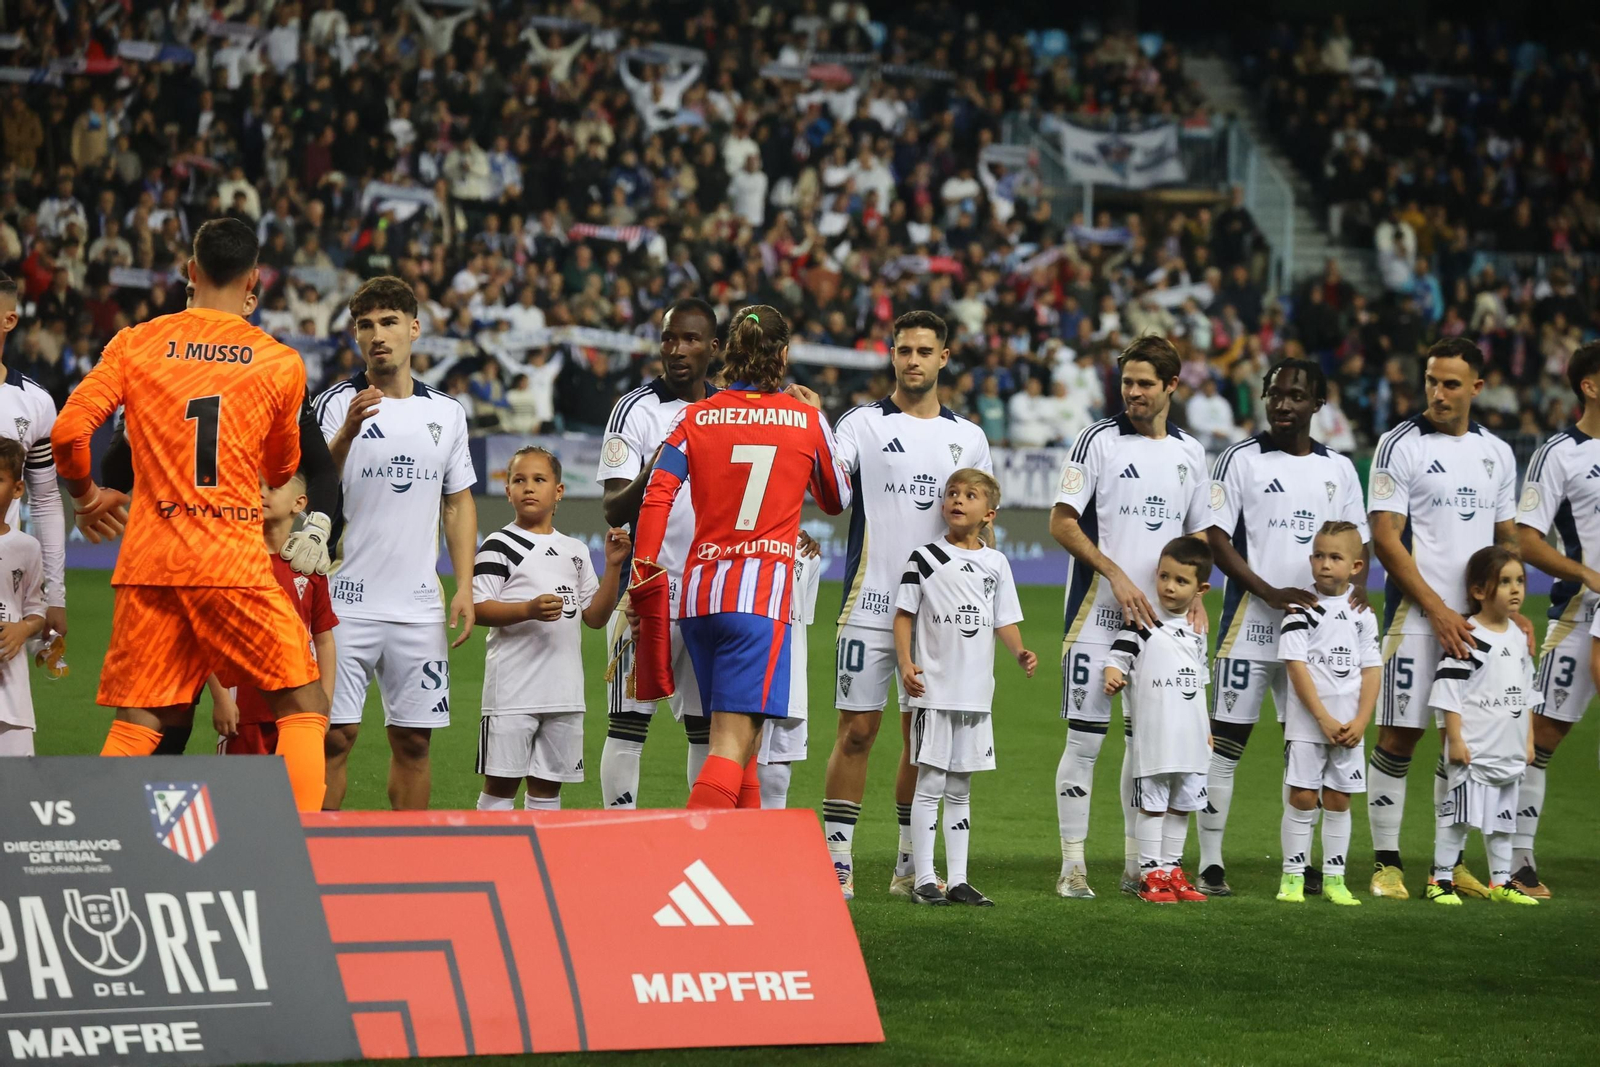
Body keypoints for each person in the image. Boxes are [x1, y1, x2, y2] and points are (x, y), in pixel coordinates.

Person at [51, 218, 330, 811]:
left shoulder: (136, 342)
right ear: (254, 280)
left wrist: (85, 497)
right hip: (230, 558)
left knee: (140, 721)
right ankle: (309, 853)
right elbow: (282, 469)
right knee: (303, 704)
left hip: (152, 559)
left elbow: (70, 431)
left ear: (190, 273)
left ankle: (101, 846)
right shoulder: (279, 363)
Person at [630, 305, 850, 811]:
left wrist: (643, 584)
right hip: (760, 600)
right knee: (732, 744)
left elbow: (657, 495)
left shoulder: (695, 416)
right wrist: (820, 422)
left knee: (741, 748)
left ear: (727, 352)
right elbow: (836, 498)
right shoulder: (805, 419)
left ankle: (745, 873)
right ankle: (686, 865)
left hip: (701, 597)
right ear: (785, 355)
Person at [822, 310, 993, 901]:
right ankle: (837, 863)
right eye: (903, 350)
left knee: (923, 740)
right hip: (869, 601)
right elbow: (829, 490)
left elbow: (981, 530)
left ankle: (907, 865)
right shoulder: (862, 424)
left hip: (938, 617)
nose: (913, 360)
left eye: (924, 351)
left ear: (944, 358)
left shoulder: (968, 437)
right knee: (857, 733)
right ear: (891, 355)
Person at [1197, 358, 1370, 896]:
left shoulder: (1339, 469)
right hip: (1248, 624)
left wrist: (1357, 597)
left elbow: (1356, 543)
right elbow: (1216, 537)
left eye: (1296, 396)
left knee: (1306, 749)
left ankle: (1302, 864)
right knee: (1225, 745)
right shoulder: (1238, 460)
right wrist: (1268, 591)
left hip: (1316, 636)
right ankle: (1210, 862)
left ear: (1319, 403)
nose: (1283, 404)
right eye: (1275, 394)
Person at [1051, 336, 1210, 899]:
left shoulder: (1192, 452)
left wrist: (1196, 596)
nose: (1134, 392)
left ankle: (1137, 867)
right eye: (1127, 382)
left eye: (1146, 383)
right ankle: (1072, 867)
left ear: (1172, 385)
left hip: (1164, 626)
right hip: (1097, 616)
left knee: (1147, 747)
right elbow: (1063, 522)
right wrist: (1115, 574)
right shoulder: (1096, 440)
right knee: (1086, 740)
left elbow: (1198, 535)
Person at [1366, 338, 1524, 899]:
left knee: (1466, 744)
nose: (1437, 392)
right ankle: (1386, 864)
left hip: (1475, 625)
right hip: (1416, 617)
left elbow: (1505, 540)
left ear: (1476, 388)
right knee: (1399, 735)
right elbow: (1386, 539)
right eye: (1432, 380)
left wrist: (1508, 610)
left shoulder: (1498, 453)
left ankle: (1448, 863)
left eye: (1451, 383)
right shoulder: (1398, 445)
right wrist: (1436, 611)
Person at [314, 276, 478, 811]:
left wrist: (465, 587)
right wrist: (344, 438)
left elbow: (457, 502)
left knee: (413, 740)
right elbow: (311, 490)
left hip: (417, 606)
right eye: (365, 326)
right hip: (343, 602)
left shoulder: (447, 413)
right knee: (332, 737)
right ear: (356, 337)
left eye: (388, 323)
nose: (377, 335)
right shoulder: (335, 404)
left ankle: (410, 853)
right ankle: (316, 855)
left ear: (414, 329)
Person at [596, 299, 721, 810]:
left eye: (690, 339)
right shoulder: (634, 410)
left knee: (705, 729)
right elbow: (612, 508)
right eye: (669, 339)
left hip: (711, 591)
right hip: (646, 591)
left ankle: (704, 836)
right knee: (628, 723)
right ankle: (619, 835)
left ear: (713, 348)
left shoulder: (728, 410)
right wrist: (657, 469)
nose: (677, 350)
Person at [895, 469, 1036, 907]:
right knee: (930, 782)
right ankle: (923, 878)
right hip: (935, 691)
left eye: (970, 495)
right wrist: (905, 663)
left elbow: (1003, 620)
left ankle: (957, 879)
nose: (958, 500)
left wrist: (1018, 652)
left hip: (976, 693)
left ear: (988, 512)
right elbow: (903, 614)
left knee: (960, 788)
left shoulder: (996, 563)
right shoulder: (925, 557)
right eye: (952, 493)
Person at [471, 446, 629, 811]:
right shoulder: (498, 545)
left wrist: (613, 567)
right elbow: (477, 608)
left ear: (558, 491)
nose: (528, 487)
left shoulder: (574, 550)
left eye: (539, 480)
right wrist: (526, 609)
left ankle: (535, 863)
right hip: (512, 693)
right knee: (500, 786)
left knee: (547, 791)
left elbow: (594, 617)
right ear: (507, 491)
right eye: (519, 480)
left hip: (564, 694)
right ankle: (493, 861)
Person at [1510, 342, 1600, 897]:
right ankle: (1519, 862)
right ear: (1589, 384)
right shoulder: (1559, 453)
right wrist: (1588, 575)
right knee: (1542, 735)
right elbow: (1526, 540)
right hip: (1578, 611)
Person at [1425, 546, 1541, 907]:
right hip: (1473, 750)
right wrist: (1454, 740)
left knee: (1505, 821)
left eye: (1519, 581)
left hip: (1508, 749)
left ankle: (1501, 881)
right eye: (1504, 582)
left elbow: (1527, 693)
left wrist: (1529, 740)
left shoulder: (1519, 637)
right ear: (1478, 591)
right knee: (1457, 818)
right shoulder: (1468, 637)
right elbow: (1449, 692)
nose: (1515, 589)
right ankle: (1440, 879)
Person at [1102, 537, 1213, 905]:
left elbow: (1199, 682)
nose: (1169, 586)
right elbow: (1117, 658)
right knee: (1152, 804)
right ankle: (1151, 875)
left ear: (1201, 590)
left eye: (1181, 581)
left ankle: (1172, 870)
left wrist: (1207, 730)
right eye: (1164, 576)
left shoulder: (1198, 631)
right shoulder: (1142, 623)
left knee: (1181, 805)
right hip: (1155, 736)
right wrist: (1112, 675)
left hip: (1191, 735)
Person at [1275, 521, 1380, 906]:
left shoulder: (1362, 613)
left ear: (1355, 566)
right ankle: (1292, 876)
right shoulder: (1301, 607)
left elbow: (1371, 669)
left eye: (1335, 557)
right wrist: (1321, 717)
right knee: (1303, 797)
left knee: (1338, 800)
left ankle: (1336, 878)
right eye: (1318, 555)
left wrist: (1362, 720)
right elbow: (1296, 667)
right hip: (1309, 724)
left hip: (1350, 725)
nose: (1324, 563)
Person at [216, 472, 338, 756]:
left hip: (302, 709)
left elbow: (324, 640)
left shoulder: (310, 567)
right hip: (243, 711)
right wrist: (222, 699)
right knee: (241, 796)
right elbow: (212, 635)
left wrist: (326, 704)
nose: (260, 493)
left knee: (297, 793)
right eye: (255, 487)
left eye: (271, 488)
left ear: (299, 503)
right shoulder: (232, 561)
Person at [0, 273, 66, 667]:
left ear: (9, 320)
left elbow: (44, 501)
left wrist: (55, 596)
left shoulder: (35, 403)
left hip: (7, 587)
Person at [756, 535, 824, 809]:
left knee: (778, 768)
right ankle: (722, 842)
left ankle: (770, 847)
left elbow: (801, 618)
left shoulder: (808, 553)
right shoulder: (742, 536)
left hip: (789, 669)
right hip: (747, 664)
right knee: (728, 755)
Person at [0, 438, 46, 755]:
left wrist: (23, 629)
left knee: (16, 790)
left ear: (17, 490)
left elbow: (36, 609)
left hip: (11, 695)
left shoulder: (27, 547)